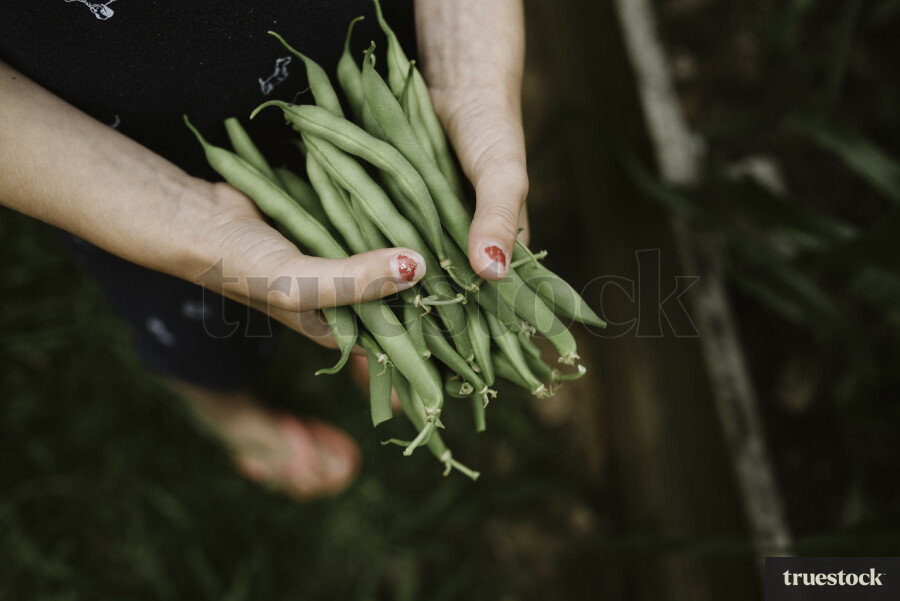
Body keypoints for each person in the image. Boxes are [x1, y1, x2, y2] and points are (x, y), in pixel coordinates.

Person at [0, 0, 529, 498]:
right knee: (194, 323)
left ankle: (381, 338)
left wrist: (468, 75)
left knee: (398, 235)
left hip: (358, 66)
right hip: (117, 162)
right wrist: (189, 224)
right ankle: (234, 419)